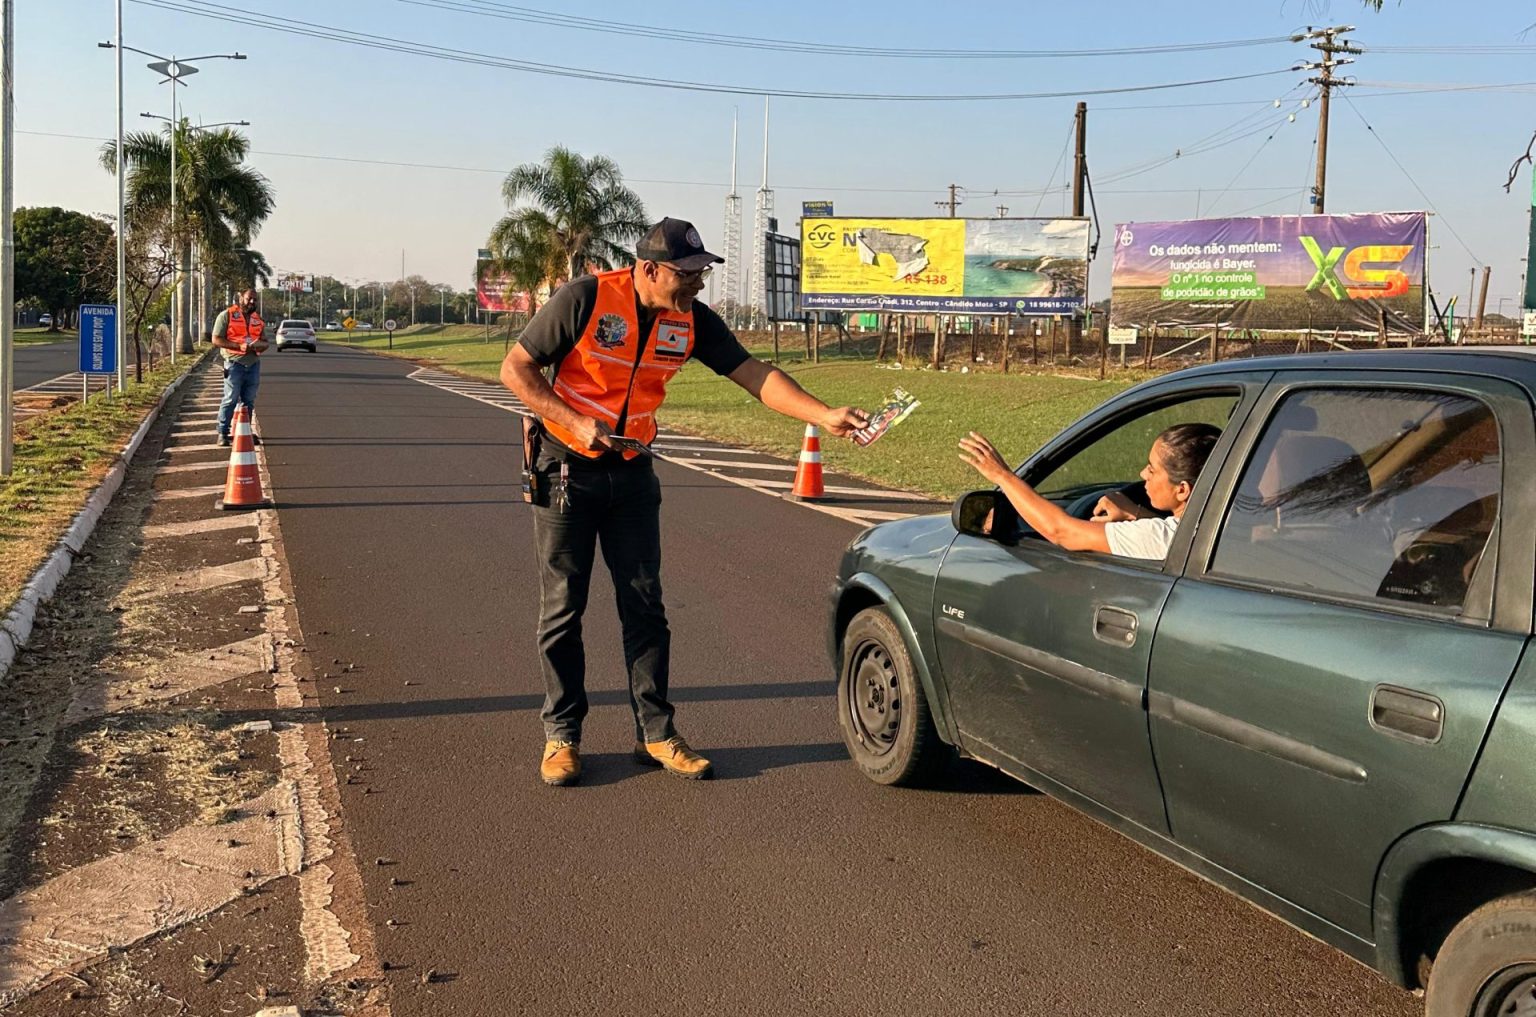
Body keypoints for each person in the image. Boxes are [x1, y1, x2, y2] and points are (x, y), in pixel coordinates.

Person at [500, 217, 868, 787]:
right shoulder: (587, 298)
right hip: (566, 467)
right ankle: (562, 736)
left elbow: (754, 374)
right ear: (649, 269)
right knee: (564, 607)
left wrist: (823, 415)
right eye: (688, 273)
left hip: (632, 472)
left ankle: (656, 734)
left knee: (645, 605)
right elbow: (516, 369)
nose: (699, 283)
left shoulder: (691, 320)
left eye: (704, 272)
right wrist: (577, 421)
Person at [957, 422, 1222, 560]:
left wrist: (1001, 475)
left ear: (1183, 490)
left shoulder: (1159, 537)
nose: (1143, 474)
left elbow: (1061, 531)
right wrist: (1134, 513)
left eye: (1152, 470)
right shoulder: (1226, 529)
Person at [211, 288, 269, 447]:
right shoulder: (227, 315)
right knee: (230, 398)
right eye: (249, 298)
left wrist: (261, 346)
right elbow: (216, 339)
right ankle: (223, 432)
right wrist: (239, 346)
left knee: (248, 400)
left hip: (253, 364)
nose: (252, 302)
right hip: (234, 363)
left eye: (255, 300)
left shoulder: (258, 319)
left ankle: (244, 432)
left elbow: (265, 341)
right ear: (240, 298)